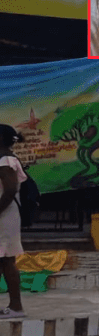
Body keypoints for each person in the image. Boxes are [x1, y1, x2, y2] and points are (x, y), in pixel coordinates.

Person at [0, 125, 28, 320]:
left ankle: (16, 306)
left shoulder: (5, 159)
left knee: (7, 260)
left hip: (4, 215)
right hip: (4, 214)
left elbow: (9, 190)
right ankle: (14, 306)